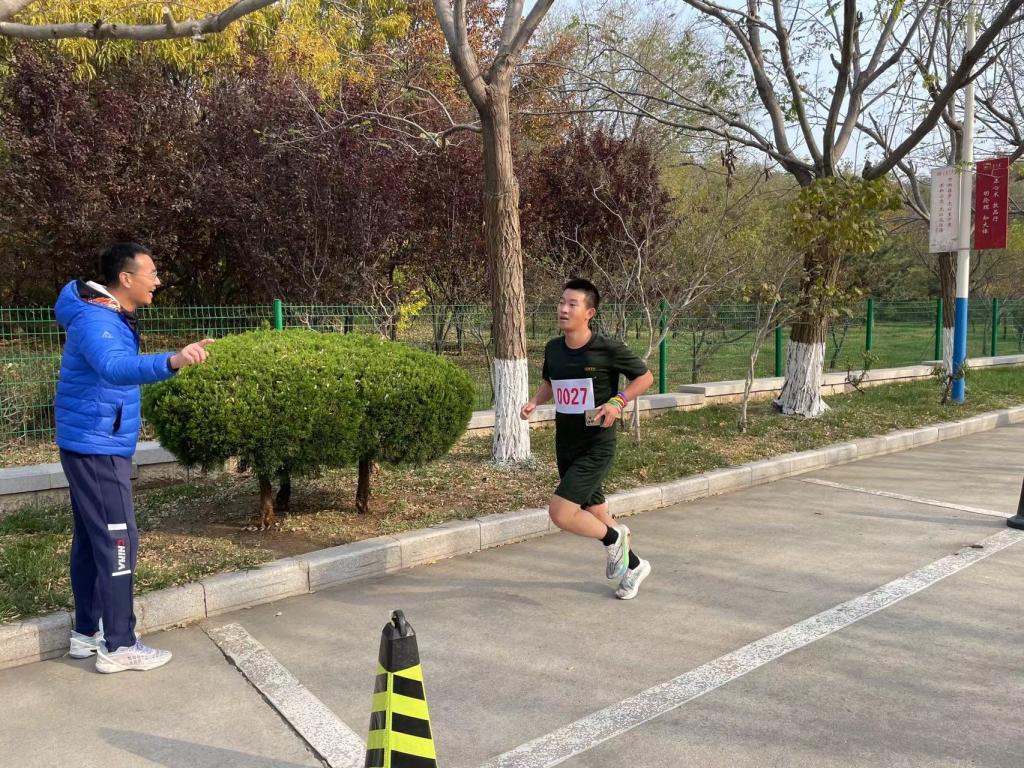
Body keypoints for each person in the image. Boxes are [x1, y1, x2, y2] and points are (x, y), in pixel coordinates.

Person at [54, 242, 212, 673]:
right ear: (126, 278)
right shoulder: (97, 319)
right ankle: (119, 645)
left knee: (93, 539)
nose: (157, 281)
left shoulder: (107, 313)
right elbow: (114, 368)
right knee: (119, 540)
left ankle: (87, 633)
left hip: (93, 441)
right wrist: (173, 361)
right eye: (152, 274)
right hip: (97, 447)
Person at [521, 278, 655, 599]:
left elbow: (645, 376)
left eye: (572, 304)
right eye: (561, 302)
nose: (563, 309)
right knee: (595, 513)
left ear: (589, 313)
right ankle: (635, 566)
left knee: (561, 513)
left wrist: (617, 401)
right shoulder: (554, 349)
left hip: (597, 445)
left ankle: (614, 540)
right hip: (566, 444)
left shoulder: (606, 349)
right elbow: (551, 381)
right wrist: (535, 401)